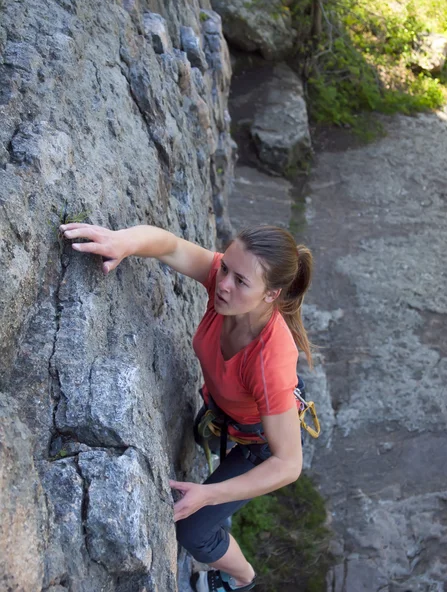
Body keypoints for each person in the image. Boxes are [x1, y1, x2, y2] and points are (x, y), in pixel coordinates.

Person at [59, 221, 313, 592]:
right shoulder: (225, 286)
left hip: (261, 443)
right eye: (225, 266)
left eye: (241, 281)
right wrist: (123, 242)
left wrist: (209, 494)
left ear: (271, 295)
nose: (223, 282)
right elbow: (171, 246)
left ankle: (242, 579)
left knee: (191, 529)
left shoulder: (269, 360)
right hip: (231, 414)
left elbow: (288, 464)